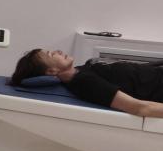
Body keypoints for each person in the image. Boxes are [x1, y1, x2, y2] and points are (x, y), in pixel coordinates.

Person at [11, 48, 163, 117]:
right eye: (51, 54)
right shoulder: (84, 83)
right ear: (51, 71)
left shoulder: (80, 70)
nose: (58, 51)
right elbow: (140, 108)